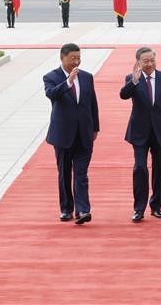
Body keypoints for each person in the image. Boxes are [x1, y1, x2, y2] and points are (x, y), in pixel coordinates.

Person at [119, 47, 161, 222]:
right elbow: (123, 95)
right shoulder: (132, 79)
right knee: (140, 168)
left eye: (152, 60)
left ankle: (156, 206)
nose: (149, 64)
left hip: (160, 132)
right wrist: (134, 80)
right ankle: (139, 208)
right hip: (139, 132)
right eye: (145, 61)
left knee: (160, 170)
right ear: (138, 62)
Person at [43, 43, 100, 225]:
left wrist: (95, 127)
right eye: (72, 58)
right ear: (62, 57)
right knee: (65, 172)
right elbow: (52, 94)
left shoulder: (87, 77)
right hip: (63, 134)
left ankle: (83, 209)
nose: (76, 61)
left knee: (81, 173)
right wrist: (68, 82)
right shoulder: (51, 77)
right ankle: (66, 208)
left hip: (84, 133)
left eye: (78, 58)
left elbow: (92, 104)